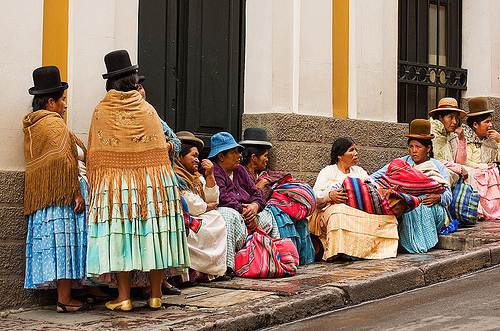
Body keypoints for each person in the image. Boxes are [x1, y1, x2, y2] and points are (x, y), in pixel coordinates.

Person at [86, 50, 190, 311]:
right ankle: (155, 295)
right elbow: (161, 152)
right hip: (153, 186)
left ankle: (124, 298)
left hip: (117, 187)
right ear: (133, 80)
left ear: (110, 82)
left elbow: (95, 155)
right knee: (152, 235)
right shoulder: (147, 109)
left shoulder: (101, 111)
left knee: (122, 237)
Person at [22, 66, 91, 312]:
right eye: (63, 100)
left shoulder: (34, 125)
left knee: (57, 245)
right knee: (64, 244)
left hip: (46, 199)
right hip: (63, 198)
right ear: (51, 102)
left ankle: (72, 296)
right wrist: (76, 192)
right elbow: (63, 161)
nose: (65, 105)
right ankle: (65, 300)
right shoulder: (53, 125)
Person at [309, 138, 399, 260]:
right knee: (339, 212)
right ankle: (338, 251)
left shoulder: (359, 171)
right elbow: (314, 194)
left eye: (355, 149)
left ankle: (367, 252)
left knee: (389, 217)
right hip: (330, 209)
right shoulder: (328, 171)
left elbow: (374, 187)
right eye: (351, 150)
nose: (356, 153)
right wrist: (329, 195)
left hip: (357, 209)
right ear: (340, 155)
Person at [371, 119, 452, 253]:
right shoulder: (402, 163)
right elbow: (374, 177)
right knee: (411, 206)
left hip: (433, 208)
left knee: (422, 206)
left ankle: (421, 244)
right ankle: (412, 244)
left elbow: (448, 195)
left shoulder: (437, 166)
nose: (414, 151)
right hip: (409, 207)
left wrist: (438, 197)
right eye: (411, 146)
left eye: (418, 147)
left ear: (428, 148)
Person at [240, 128, 315, 265]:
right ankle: (286, 257)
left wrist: (265, 182)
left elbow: (284, 176)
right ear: (253, 157)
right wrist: (261, 190)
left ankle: (299, 257)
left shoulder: (264, 174)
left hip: (265, 207)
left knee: (298, 217)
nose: (267, 160)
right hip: (255, 210)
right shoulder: (241, 173)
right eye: (265, 156)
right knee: (280, 214)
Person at [208, 132, 279, 274]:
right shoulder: (214, 171)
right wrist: (245, 212)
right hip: (232, 213)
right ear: (221, 156)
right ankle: (228, 266)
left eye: (238, 152)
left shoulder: (239, 170)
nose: (239, 155)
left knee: (269, 214)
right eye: (234, 152)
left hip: (246, 213)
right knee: (227, 215)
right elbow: (223, 198)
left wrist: (254, 207)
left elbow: (256, 194)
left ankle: (274, 255)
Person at [174, 131, 227, 281]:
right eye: (194, 156)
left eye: (198, 156)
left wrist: (210, 175)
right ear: (179, 157)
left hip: (199, 215)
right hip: (185, 217)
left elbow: (213, 199)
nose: (198, 160)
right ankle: (189, 275)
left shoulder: (197, 177)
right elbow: (191, 204)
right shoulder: (176, 176)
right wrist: (207, 206)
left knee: (218, 219)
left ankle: (206, 272)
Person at [461, 97, 500, 220]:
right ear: (475, 125)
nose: (490, 125)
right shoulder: (466, 139)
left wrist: (499, 142)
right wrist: (485, 167)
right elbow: (465, 161)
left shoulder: (488, 139)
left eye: (490, 122)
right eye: (487, 122)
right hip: (475, 174)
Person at [429, 97, 468, 184]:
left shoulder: (452, 135)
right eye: (450, 117)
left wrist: (462, 140)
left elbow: (461, 162)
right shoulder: (433, 132)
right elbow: (435, 159)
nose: (454, 122)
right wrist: (458, 168)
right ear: (441, 118)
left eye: (456, 118)